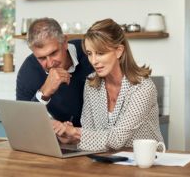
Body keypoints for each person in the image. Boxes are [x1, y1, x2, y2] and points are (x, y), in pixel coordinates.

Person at [53, 18, 164, 151]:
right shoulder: (91, 84)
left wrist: (75, 132)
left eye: (100, 53)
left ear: (119, 51)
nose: (93, 61)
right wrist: (72, 139)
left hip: (146, 163)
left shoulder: (143, 87)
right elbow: (90, 133)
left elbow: (117, 139)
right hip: (106, 162)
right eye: (89, 53)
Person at [16, 18, 93, 126]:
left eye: (53, 53)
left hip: (99, 137)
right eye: (42, 58)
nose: (50, 63)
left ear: (65, 42)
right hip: (63, 138)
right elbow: (23, 124)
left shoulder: (90, 53)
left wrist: (78, 133)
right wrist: (44, 93)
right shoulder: (28, 71)